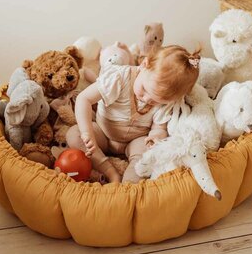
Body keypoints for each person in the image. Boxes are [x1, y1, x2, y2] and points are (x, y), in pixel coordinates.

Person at [66, 45, 201, 183]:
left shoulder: (168, 102)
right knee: (74, 134)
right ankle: (109, 171)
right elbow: (84, 99)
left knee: (145, 159)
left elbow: (159, 127)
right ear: (144, 65)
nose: (147, 99)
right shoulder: (119, 77)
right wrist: (87, 133)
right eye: (144, 89)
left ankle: (128, 187)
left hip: (135, 140)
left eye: (156, 101)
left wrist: (155, 137)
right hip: (103, 132)